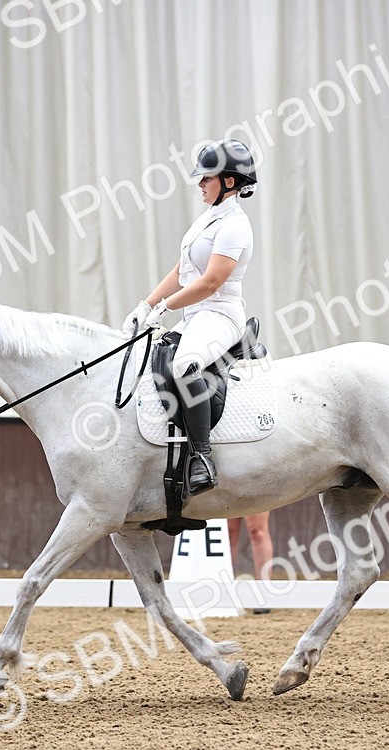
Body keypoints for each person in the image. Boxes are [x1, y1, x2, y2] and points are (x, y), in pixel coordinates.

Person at [122, 139, 258, 495]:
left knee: (184, 366)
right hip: (196, 316)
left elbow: (211, 282)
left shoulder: (235, 226)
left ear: (229, 182)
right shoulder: (208, 220)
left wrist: (167, 308)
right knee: (157, 356)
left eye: (206, 178)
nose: (200, 184)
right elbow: (182, 270)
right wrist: (146, 305)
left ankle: (202, 457)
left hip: (219, 314)